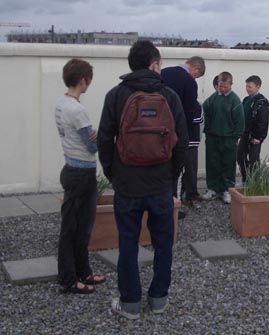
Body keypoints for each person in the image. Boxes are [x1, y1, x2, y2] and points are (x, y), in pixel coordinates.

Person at [97, 41, 188, 319]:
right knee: (163, 243)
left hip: (128, 184)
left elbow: (104, 140)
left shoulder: (116, 95)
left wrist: (115, 173)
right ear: (153, 64)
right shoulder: (170, 96)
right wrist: (170, 176)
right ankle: (159, 299)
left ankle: (131, 304)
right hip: (160, 184)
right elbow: (181, 143)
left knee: (127, 243)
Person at [55, 58, 106, 294]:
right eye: (89, 80)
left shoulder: (61, 104)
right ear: (83, 80)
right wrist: (96, 137)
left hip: (71, 169)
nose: (89, 85)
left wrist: (93, 136)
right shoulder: (78, 110)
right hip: (81, 173)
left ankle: (83, 271)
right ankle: (68, 278)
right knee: (73, 228)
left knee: (83, 225)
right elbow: (92, 145)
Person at [161, 56, 206, 209]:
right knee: (182, 169)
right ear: (195, 69)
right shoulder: (188, 81)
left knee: (166, 169)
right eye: (197, 76)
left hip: (160, 131)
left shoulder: (163, 73)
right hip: (181, 133)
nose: (195, 78)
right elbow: (190, 111)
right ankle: (176, 203)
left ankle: (166, 200)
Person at [201, 71, 244, 204]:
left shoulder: (235, 100)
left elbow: (240, 122)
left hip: (229, 138)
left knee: (228, 164)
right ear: (217, 84)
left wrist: (234, 138)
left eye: (225, 86)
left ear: (231, 84)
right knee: (212, 163)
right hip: (213, 137)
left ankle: (227, 190)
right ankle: (212, 188)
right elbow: (204, 114)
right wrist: (207, 132)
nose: (223, 89)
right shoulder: (212, 99)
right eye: (220, 86)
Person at [237, 75, 269, 183]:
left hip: (255, 136)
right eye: (246, 86)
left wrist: (258, 137)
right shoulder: (246, 100)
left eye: (250, 87)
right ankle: (246, 178)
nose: (247, 89)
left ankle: (254, 182)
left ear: (258, 87)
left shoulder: (261, 102)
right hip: (244, 134)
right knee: (240, 156)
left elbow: (263, 121)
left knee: (253, 160)